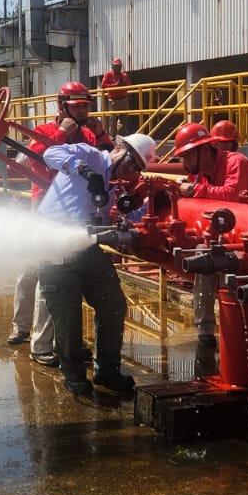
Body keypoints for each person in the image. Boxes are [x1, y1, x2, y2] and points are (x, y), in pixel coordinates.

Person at [36, 128, 158, 397]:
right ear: (118, 149)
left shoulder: (114, 187)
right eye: (129, 162)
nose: (129, 171)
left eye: (136, 168)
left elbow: (123, 214)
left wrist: (151, 206)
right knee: (67, 312)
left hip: (87, 246)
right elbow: (50, 153)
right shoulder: (89, 156)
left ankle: (107, 370)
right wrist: (83, 170)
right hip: (53, 240)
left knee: (113, 302)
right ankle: (74, 375)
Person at [7, 81, 114, 364]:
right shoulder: (44, 132)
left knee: (53, 277)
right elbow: (38, 160)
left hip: (72, 214)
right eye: (77, 106)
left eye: (86, 106)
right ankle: (21, 326)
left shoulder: (90, 135)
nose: (82, 111)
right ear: (62, 106)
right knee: (29, 271)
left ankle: (52, 341)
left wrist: (102, 134)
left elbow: (109, 162)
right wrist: (63, 131)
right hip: (45, 208)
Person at [174, 120, 248, 378]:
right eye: (183, 157)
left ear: (205, 150)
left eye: (189, 155)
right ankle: (205, 333)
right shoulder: (202, 171)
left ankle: (239, 335)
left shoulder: (236, 163)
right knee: (205, 264)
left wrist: (195, 189)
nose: (186, 163)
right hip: (222, 231)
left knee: (230, 278)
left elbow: (231, 195)